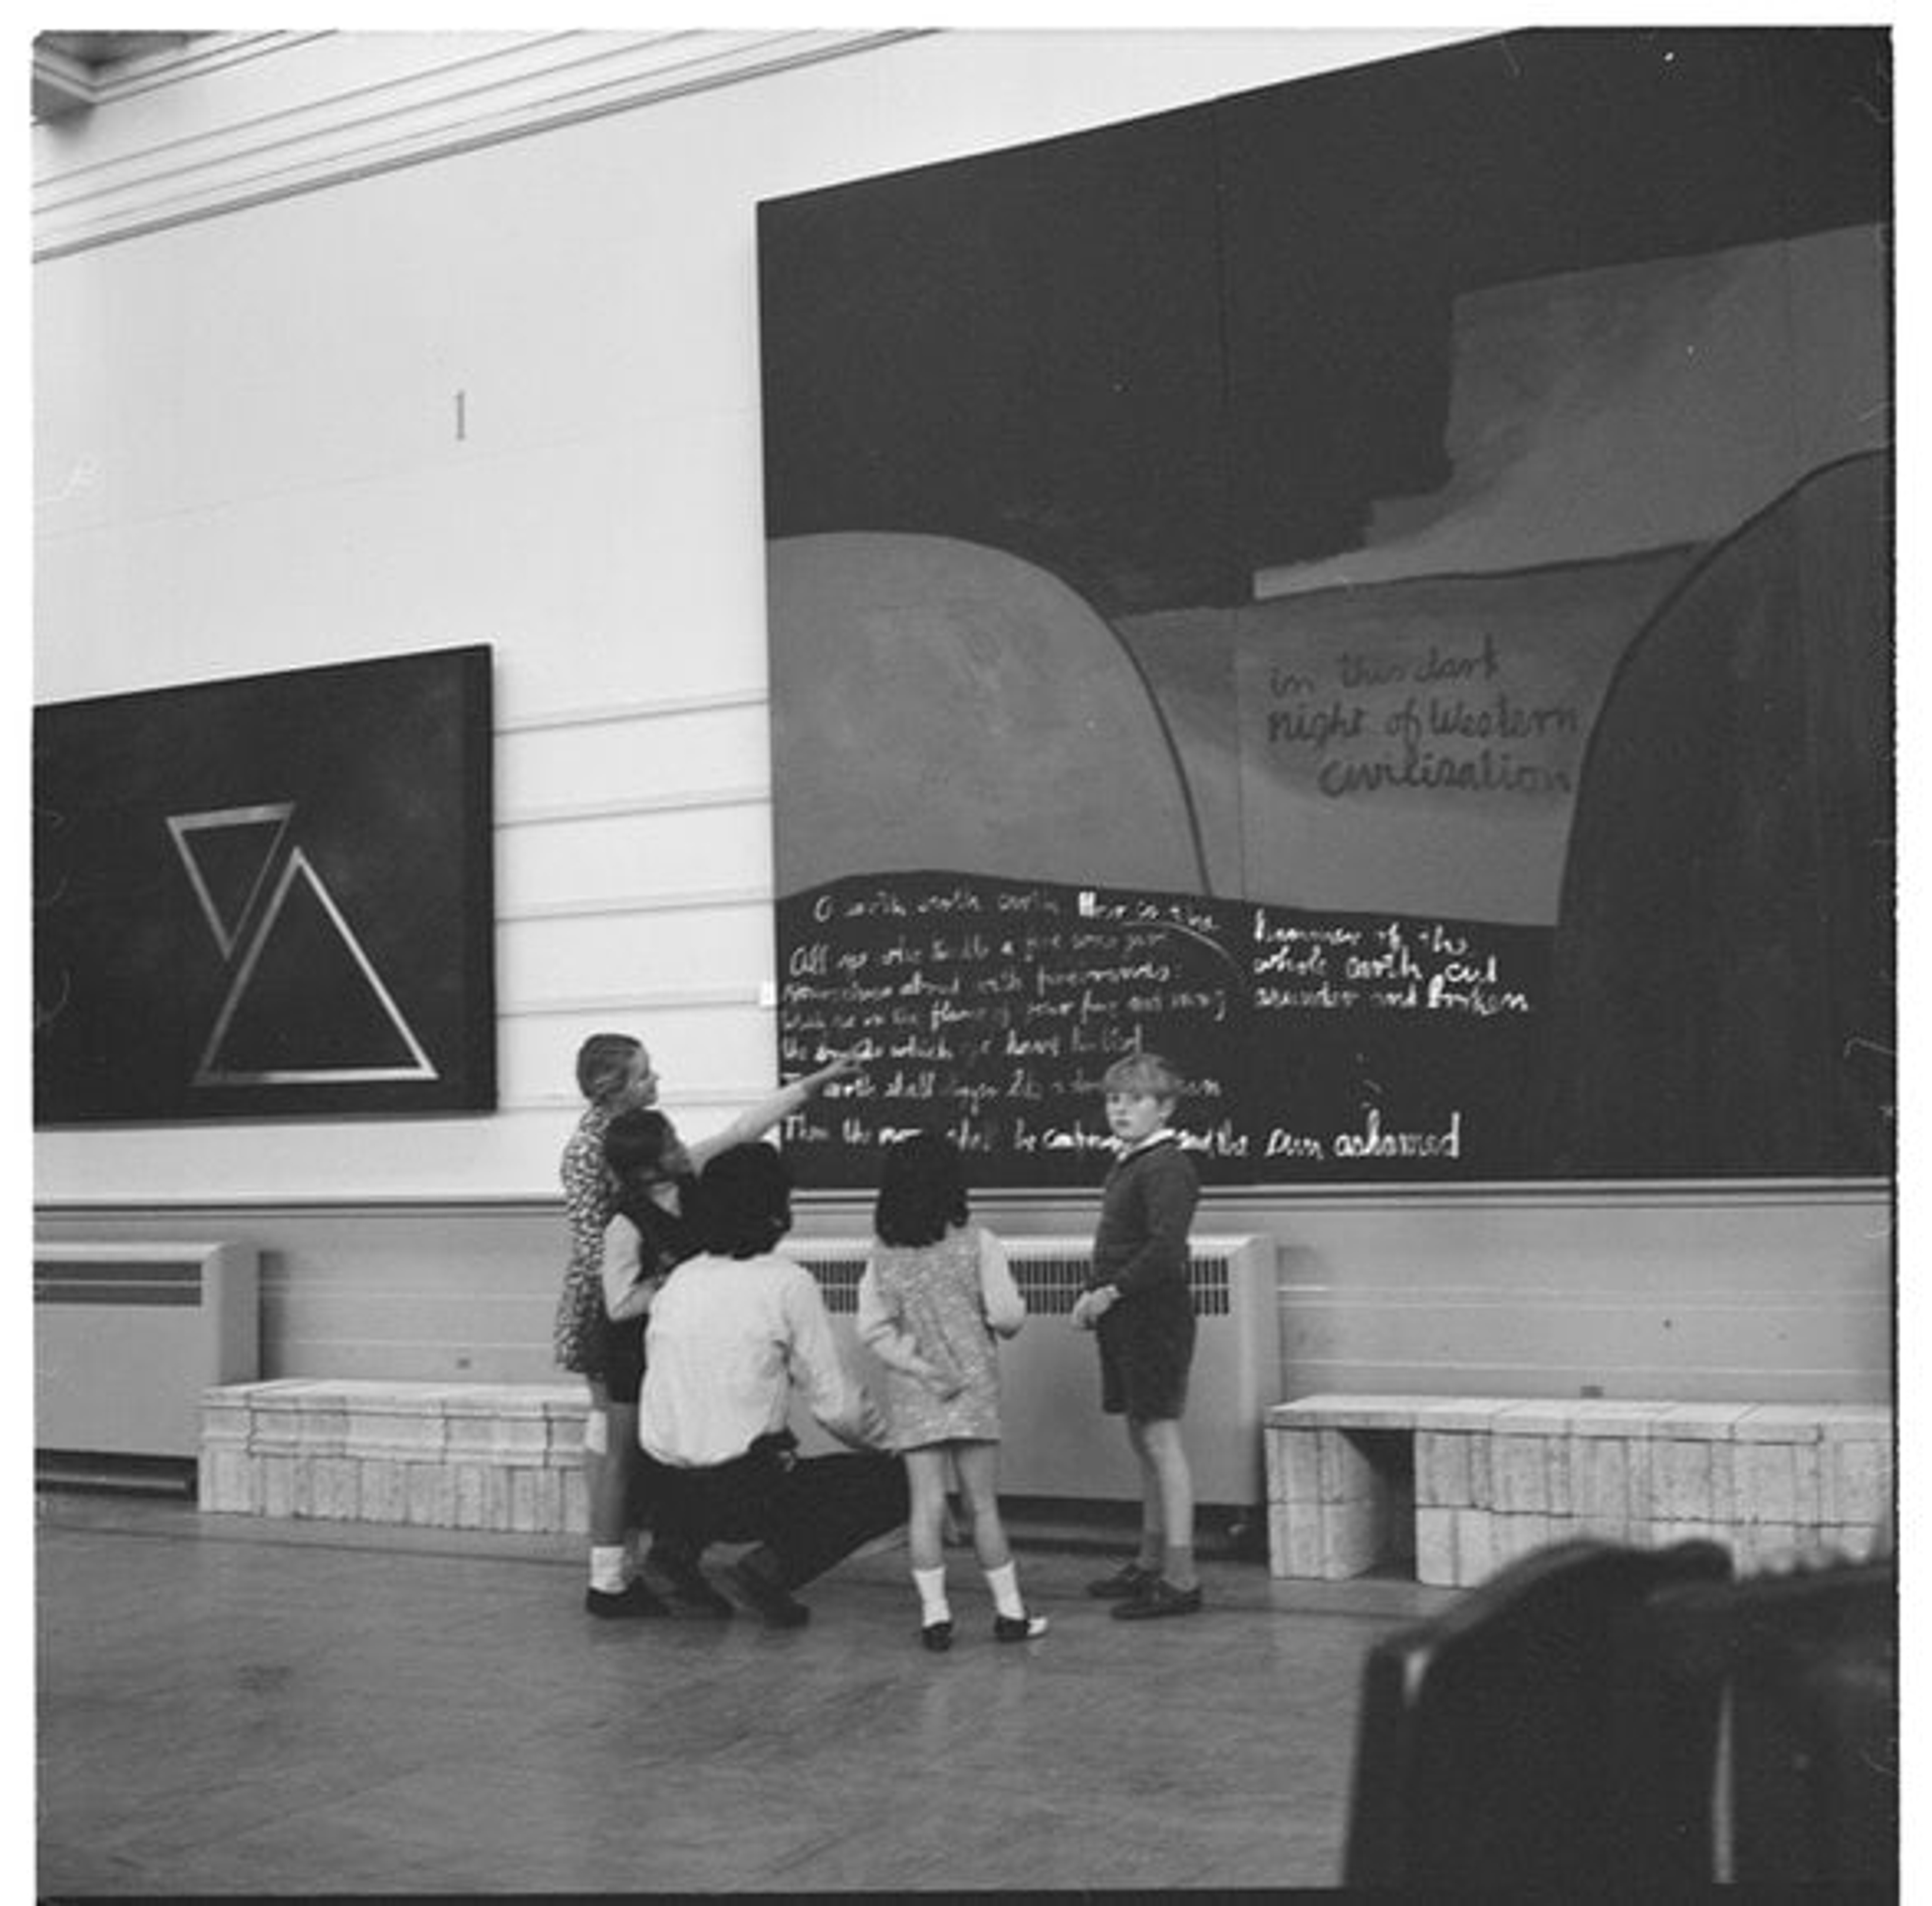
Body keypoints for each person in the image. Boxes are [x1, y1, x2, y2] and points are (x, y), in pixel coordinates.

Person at [553, 1033, 854, 1618]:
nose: (656, 1081)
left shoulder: (664, 1163)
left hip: (666, 1317)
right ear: (613, 1088)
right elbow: (605, 1271)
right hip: (621, 1324)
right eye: (644, 1074)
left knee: (658, 1449)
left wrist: (812, 1085)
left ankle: (662, 1560)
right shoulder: (601, 1163)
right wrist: (668, 1286)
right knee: (618, 1449)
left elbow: (742, 1130)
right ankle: (609, 1578)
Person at [636, 1142, 909, 1628]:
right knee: (895, 1481)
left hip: (660, 1484)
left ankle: (673, 1551)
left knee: (716, 1456)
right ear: (775, 1210)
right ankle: (769, 1571)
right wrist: (894, 1448)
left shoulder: (679, 1280)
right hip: (740, 1489)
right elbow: (838, 1407)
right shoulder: (787, 1283)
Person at [856, 1132, 1048, 1651]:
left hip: (916, 1390)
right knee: (982, 1506)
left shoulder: (883, 1255)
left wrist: (917, 1363)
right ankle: (1010, 1613)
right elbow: (1007, 1316)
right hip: (973, 1388)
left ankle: (935, 1617)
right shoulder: (978, 1243)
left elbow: (872, 1328)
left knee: (926, 1508)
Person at [1069, 1051, 1204, 1620]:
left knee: (1161, 1440)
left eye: (1136, 1100)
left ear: (1165, 1107)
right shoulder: (1131, 1162)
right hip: (1127, 1315)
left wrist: (1110, 1292)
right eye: (1113, 1099)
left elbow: (1165, 1249)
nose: (1120, 1109)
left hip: (1153, 1316)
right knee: (1141, 1438)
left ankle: (1181, 1576)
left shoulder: (1167, 1166)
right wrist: (1096, 1293)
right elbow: (1122, 1242)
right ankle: (1150, 1562)